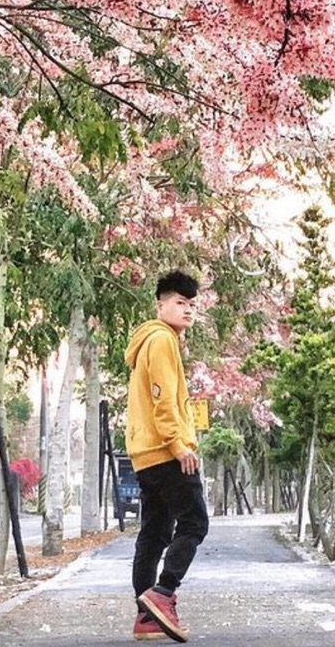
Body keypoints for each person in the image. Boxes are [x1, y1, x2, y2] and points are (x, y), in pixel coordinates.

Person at [127, 270, 211, 642]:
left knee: (155, 532)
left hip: (145, 454)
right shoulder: (161, 340)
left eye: (192, 304)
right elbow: (162, 396)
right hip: (165, 450)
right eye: (180, 302)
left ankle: (146, 619)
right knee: (195, 522)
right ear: (160, 304)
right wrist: (179, 445)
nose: (188, 310)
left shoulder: (148, 341)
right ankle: (163, 593)